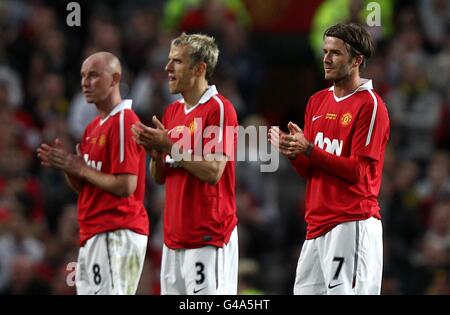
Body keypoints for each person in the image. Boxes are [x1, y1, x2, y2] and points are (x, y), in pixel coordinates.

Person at [269, 23, 390, 295]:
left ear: (357, 60)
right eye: (325, 51)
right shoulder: (317, 101)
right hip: (316, 225)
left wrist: (309, 149)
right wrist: (294, 153)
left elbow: (357, 171)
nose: (326, 58)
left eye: (335, 53)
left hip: (351, 222)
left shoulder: (370, 105)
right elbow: (311, 171)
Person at [131, 33, 239, 295]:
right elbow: (160, 177)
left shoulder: (220, 109)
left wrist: (169, 145)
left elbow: (214, 171)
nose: (168, 68)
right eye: (169, 61)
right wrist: (156, 156)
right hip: (173, 238)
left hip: (208, 236)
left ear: (199, 68)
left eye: (177, 62)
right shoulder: (172, 112)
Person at [37, 52, 149, 295]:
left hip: (117, 230)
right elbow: (88, 186)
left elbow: (126, 185)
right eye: (83, 76)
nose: (85, 83)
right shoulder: (92, 127)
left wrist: (81, 168)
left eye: (94, 75)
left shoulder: (124, 120)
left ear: (115, 78)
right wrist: (70, 168)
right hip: (95, 231)